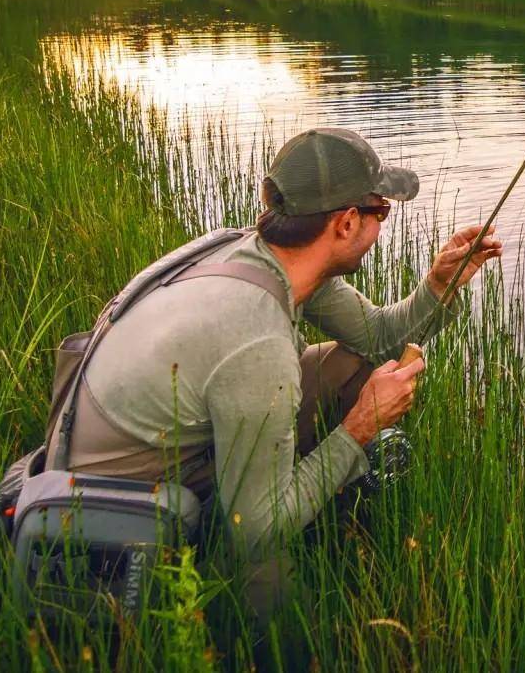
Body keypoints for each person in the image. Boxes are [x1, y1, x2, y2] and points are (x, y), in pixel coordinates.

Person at [44, 127, 501, 610]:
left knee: (352, 363)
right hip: (126, 494)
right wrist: (360, 428)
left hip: (160, 438)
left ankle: (304, 486)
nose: (381, 224)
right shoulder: (258, 342)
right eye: (380, 210)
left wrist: (439, 284)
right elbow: (256, 531)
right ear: (346, 223)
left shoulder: (268, 257)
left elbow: (376, 339)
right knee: (272, 576)